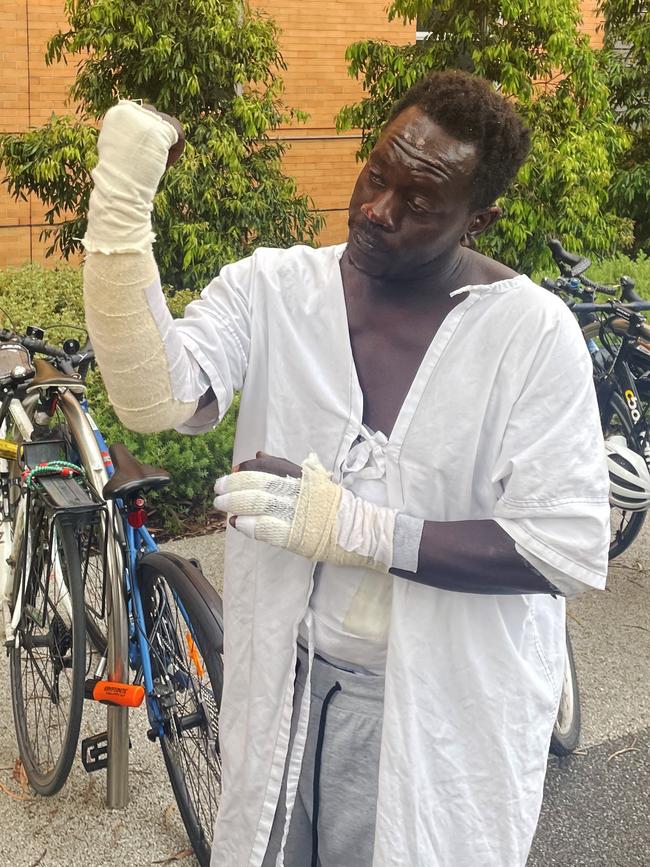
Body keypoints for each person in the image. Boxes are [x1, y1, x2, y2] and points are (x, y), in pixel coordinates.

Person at [82, 70, 610, 867]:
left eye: (419, 203)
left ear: (479, 217)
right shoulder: (275, 288)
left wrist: (353, 527)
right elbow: (156, 396)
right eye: (376, 173)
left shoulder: (530, 337)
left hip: (429, 711)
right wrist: (120, 200)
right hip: (283, 685)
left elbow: (562, 547)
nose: (377, 209)